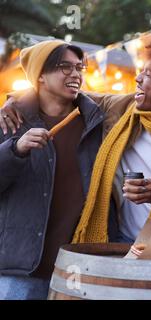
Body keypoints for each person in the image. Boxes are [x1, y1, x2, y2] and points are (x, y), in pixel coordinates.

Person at [1, 31, 151, 245]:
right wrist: (16, 99)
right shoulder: (124, 109)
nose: (137, 78)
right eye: (140, 72)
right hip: (118, 241)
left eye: (148, 74)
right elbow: (69, 93)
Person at [0, 40, 104, 299]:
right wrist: (16, 150)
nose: (76, 74)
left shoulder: (96, 119)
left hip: (78, 266)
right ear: (40, 76)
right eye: (64, 67)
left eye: (80, 67)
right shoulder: (11, 122)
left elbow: (138, 98)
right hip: (20, 268)